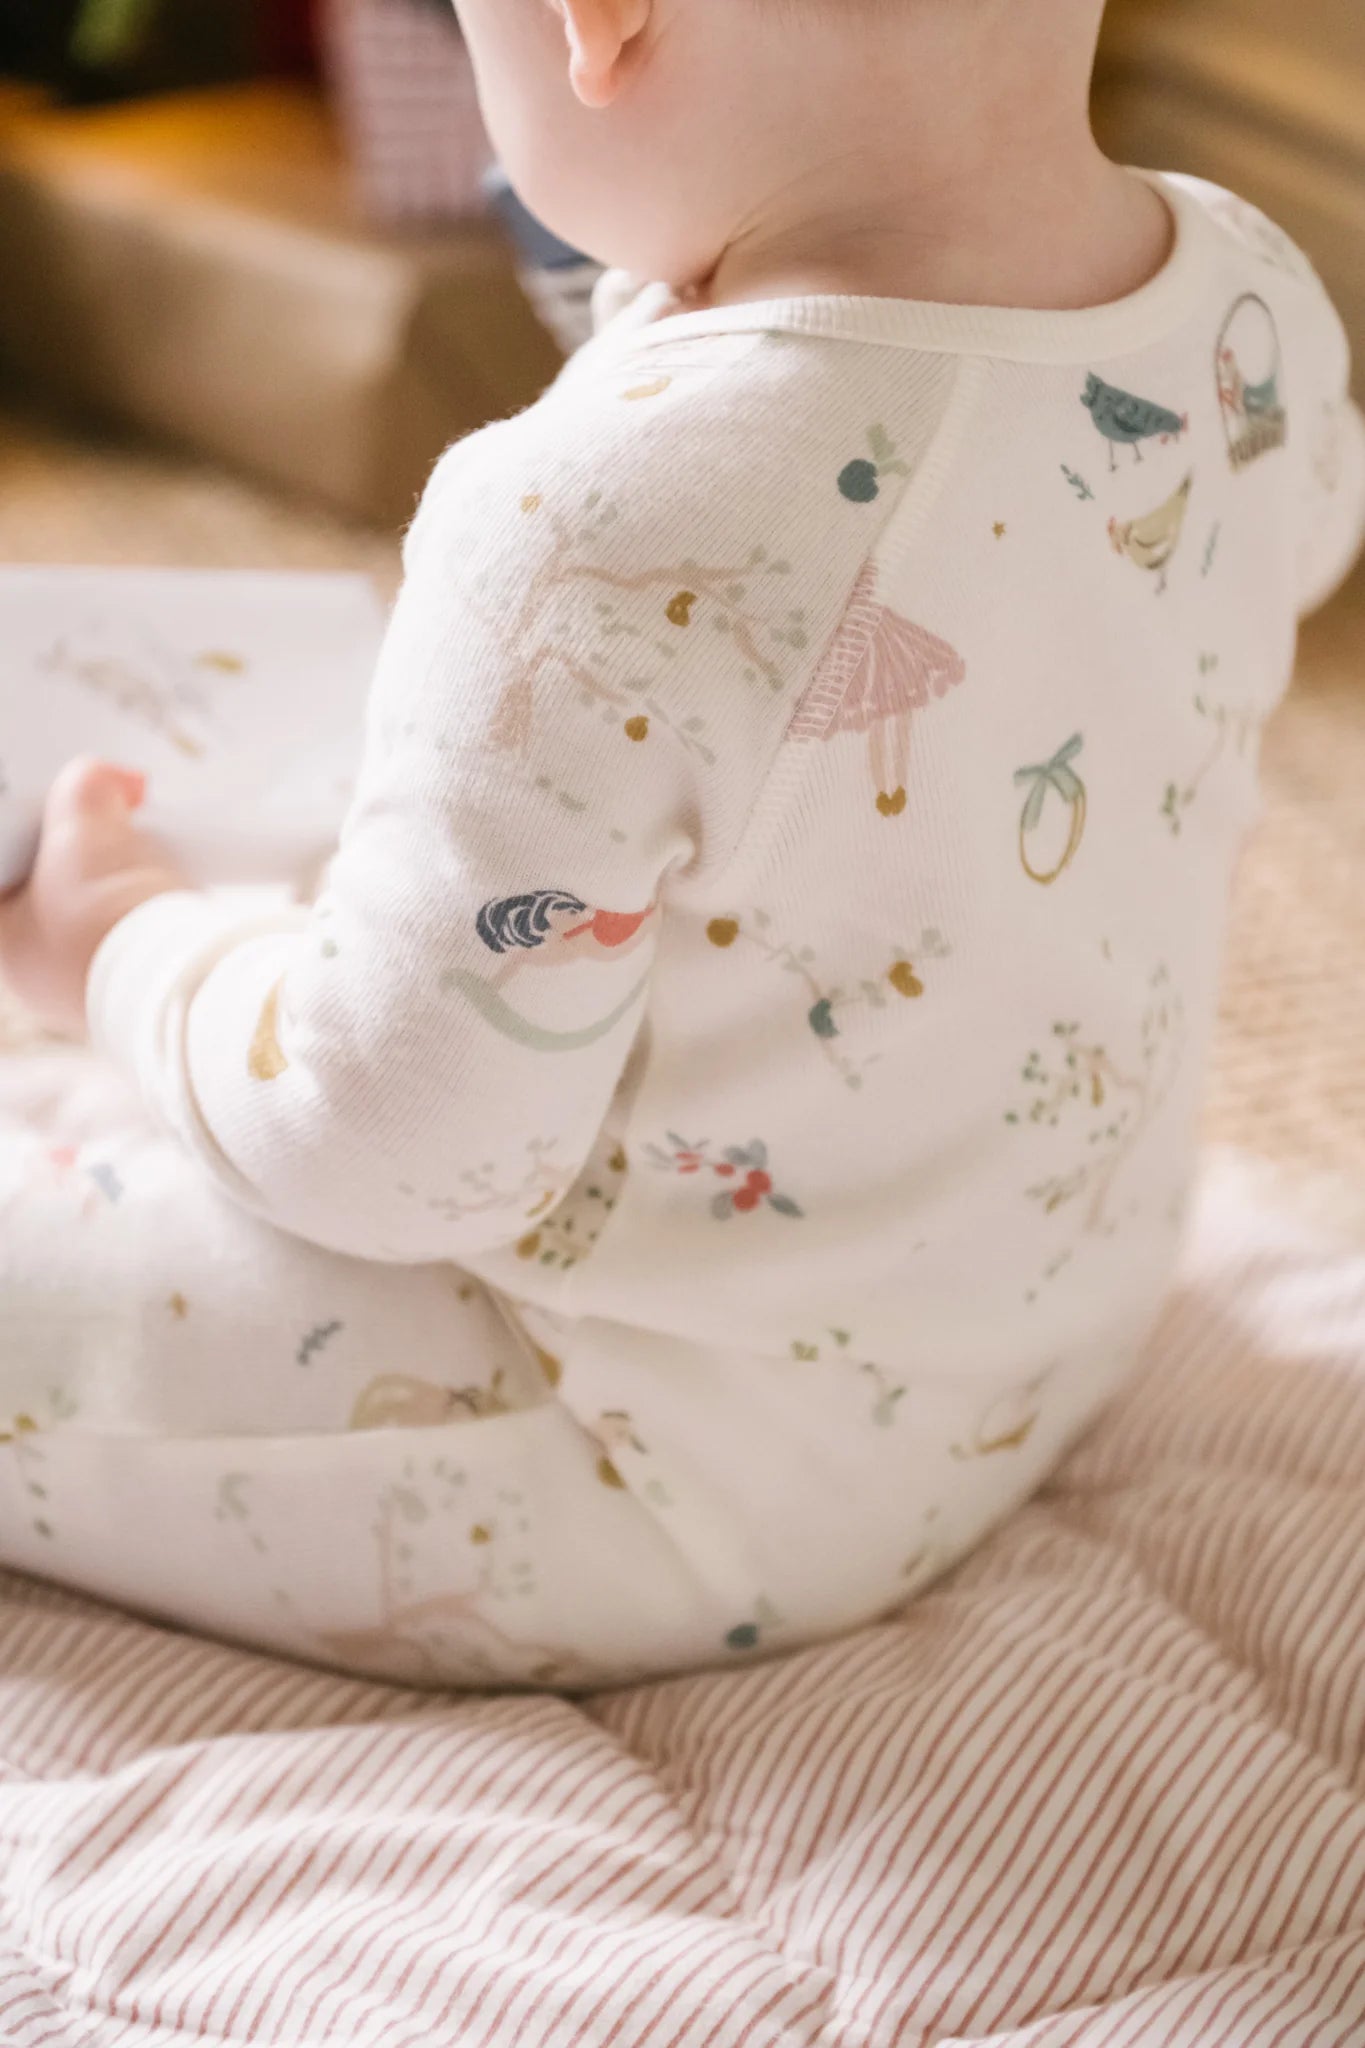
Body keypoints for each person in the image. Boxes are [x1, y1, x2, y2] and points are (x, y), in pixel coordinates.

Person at [0, 0, 1361, 1689]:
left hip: (627, 1465)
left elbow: (393, 1140)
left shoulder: (583, 525)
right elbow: (1263, 550)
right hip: (1039, 1332)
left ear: (597, 21)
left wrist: (118, 945)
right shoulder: (1244, 294)